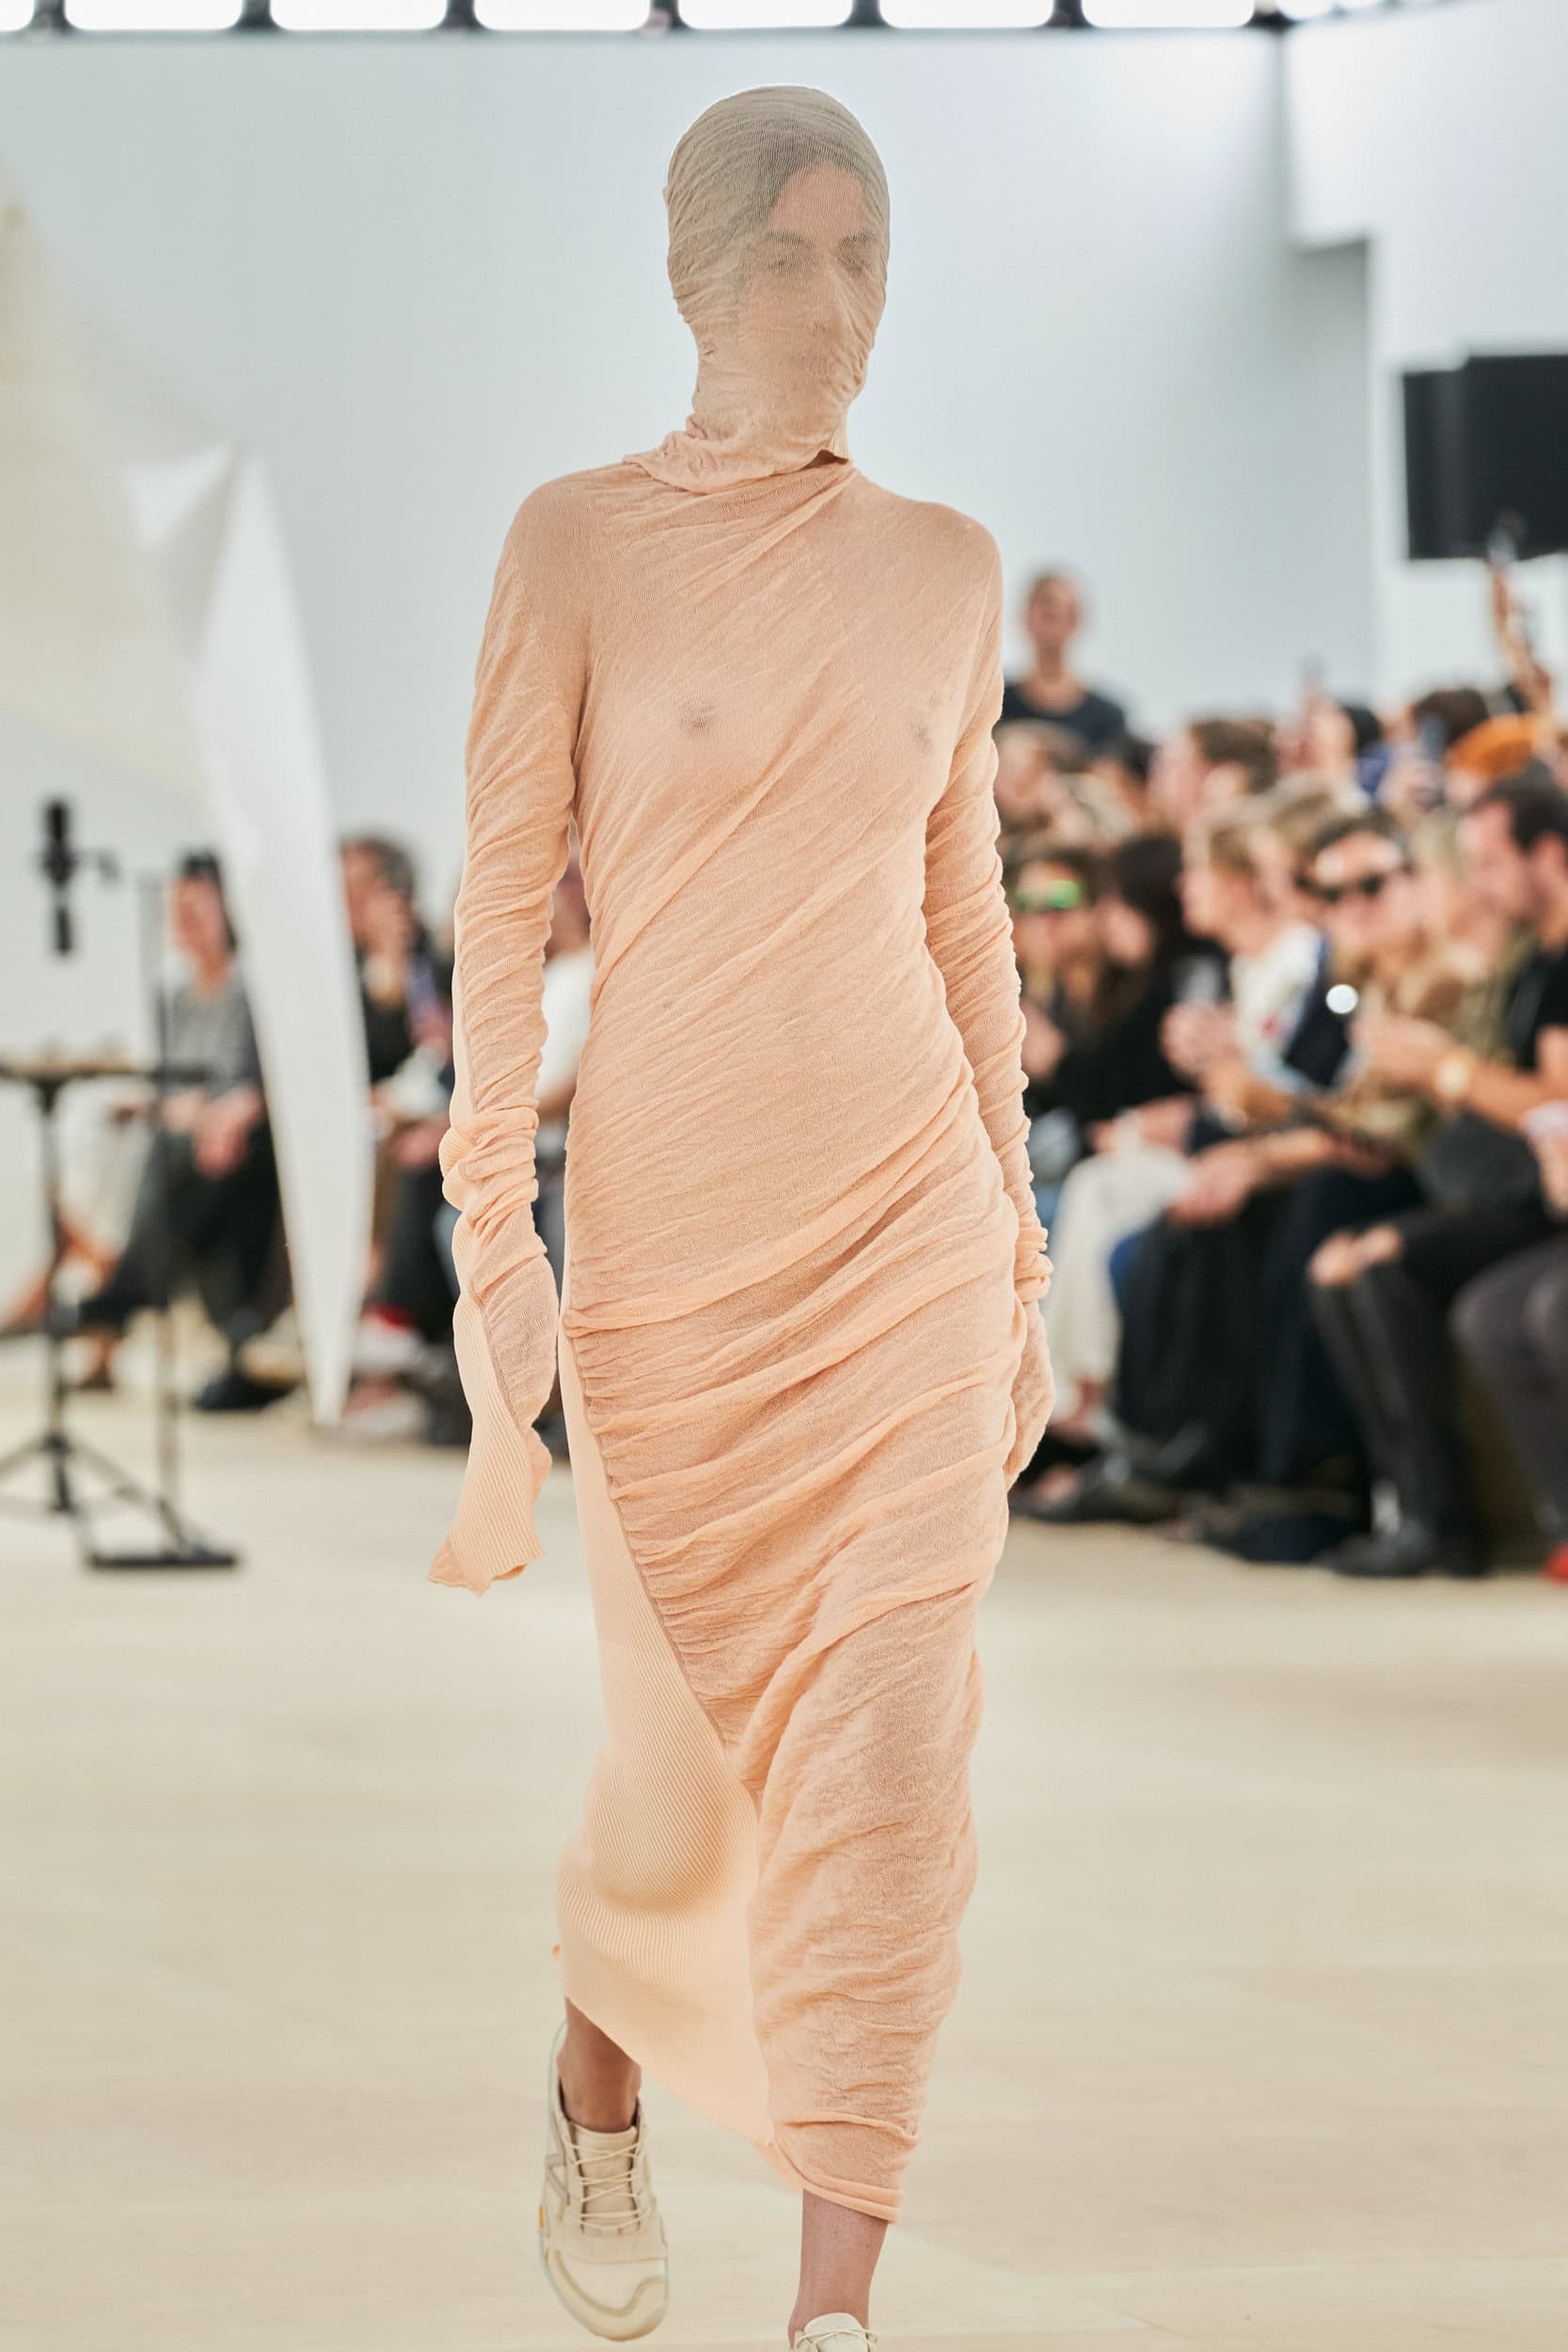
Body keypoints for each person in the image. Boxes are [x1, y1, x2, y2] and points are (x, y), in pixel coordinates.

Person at [428, 87, 1053, 2352]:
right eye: (789, 254)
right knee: (679, 1757)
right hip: (675, 1231)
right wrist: (489, 1228)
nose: (834, 301)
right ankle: (596, 2085)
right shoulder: (575, 542)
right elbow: (500, 900)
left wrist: (1019, 1245)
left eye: (864, 255)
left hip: (907, 1214)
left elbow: (962, 914)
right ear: (692, 275)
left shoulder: (946, 565)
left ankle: (831, 2304)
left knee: (889, 1744)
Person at [1307, 772, 1568, 1578]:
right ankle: (1417, 1508)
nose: (1478, 884)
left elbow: (1549, 1105)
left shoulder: (1506, 967)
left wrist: (1442, 1069)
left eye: (1484, 864)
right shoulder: (1531, 966)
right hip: (1509, 1188)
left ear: (1545, 856)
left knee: (1395, 1265)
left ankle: (1436, 1520)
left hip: (1524, 1198)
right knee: (1372, 1269)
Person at [56, 853, 284, 1410]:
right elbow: (171, 1087)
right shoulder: (175, 997)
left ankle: (121, 1294)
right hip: (192, 1141)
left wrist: (217, 1116)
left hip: (244, 1148)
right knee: (118, 1145)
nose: (184, 921)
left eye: (195, 908)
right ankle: (125, 1290)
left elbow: (260, 1085)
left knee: (173, 1156)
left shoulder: (252, 989)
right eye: (176, 910)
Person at [997, 566, 1129, 754]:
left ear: (1077, 622)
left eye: (1066, 614)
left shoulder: (1107, 718)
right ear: (1026, 618)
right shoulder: (994, 705)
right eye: (1048, 615)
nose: (1055, 625)